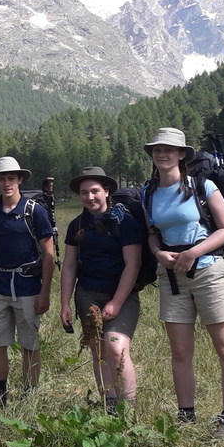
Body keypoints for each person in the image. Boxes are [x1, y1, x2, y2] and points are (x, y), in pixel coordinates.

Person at [142, 127, 224, 438]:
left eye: (168, 150)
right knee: (180, 350)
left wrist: (193, 253)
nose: (162, 154)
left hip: (209, 271)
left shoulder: (202, 185)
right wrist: (158, 253)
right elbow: (152, 233)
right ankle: (186, 414)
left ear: (181, 155)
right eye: (157, 150)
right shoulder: (148, 192)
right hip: (172, 277)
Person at [59, 166, 141, 412]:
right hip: (87, 293)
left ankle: (129, 409)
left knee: (115, 347)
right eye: (84, 192)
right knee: (98, 352)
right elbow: (69, 265)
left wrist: (116, 302)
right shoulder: (77, 225)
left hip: (122, 295)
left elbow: (133, 264)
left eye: (95, 191)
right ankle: (110, 404)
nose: (90, 197)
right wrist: (64, 303)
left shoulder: (125, 222)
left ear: (107, 192)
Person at [0, 156, 55, 403]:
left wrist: (45, 292)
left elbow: (49, 254)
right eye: (1, 178)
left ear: (20, 179)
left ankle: (30, 394)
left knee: (29, 343)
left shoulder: (35, 211)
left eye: (11, 178)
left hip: (28, 286)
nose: (6, 183)